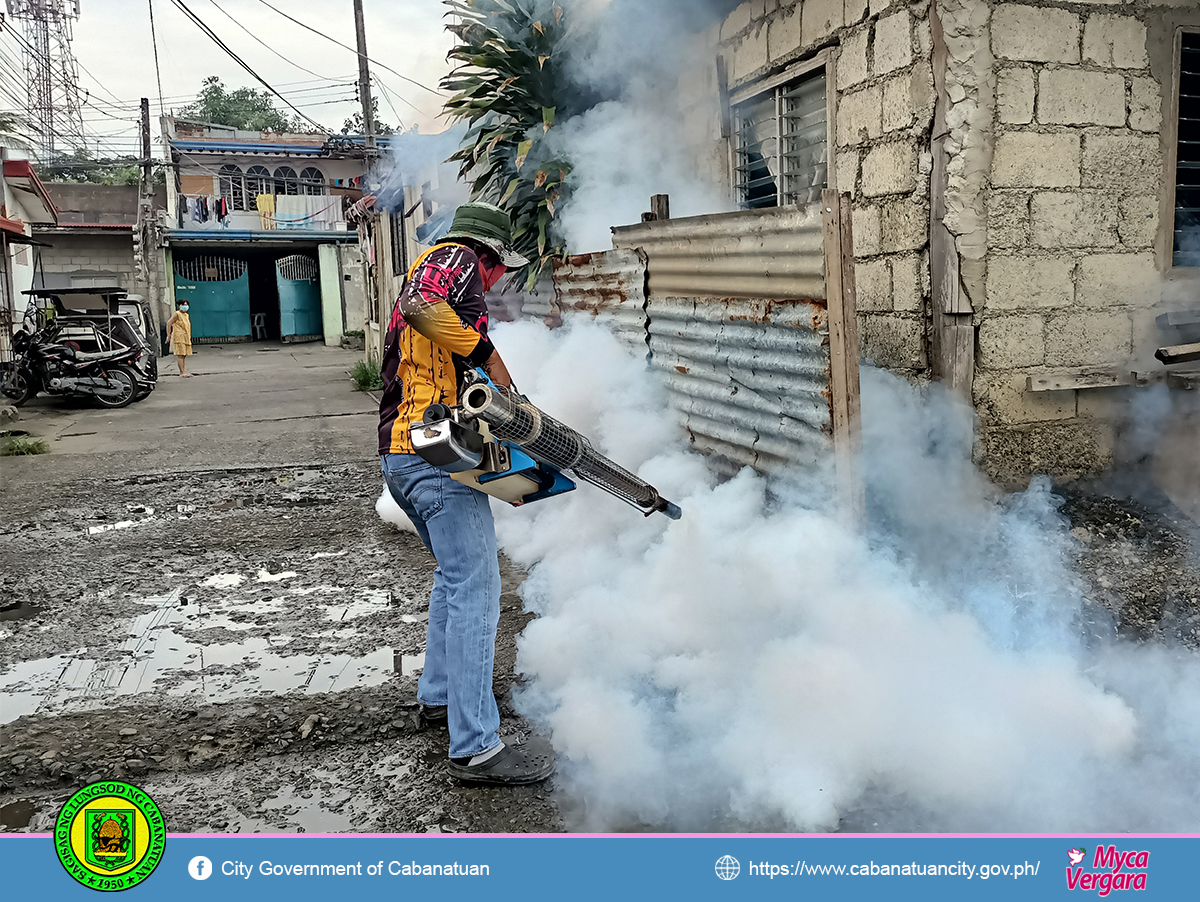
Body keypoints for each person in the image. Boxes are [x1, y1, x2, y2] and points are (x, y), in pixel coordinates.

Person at [378, 202, 554, 786]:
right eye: (499, 271)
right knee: (477, 586)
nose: (498, 282)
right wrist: (487, 355)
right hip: (432, 459)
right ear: (489, 256)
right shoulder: (453, 259)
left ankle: (440, 697)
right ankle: (477, 747)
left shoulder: (430, 268)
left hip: (404, 456)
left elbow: (435, 346)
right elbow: (421, 305)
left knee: (453, 579)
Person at [164, 302, 193, 377]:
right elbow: (169, 323)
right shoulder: (177, 314)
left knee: (184, 355)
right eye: (183, 305)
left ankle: (183, 371)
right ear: (180, 306)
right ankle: (181, 372)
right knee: (181, 354)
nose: (185, 306)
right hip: (179, 337)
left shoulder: (186, 315)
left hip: (186, 337)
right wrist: (169, 335)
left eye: (186, 305)